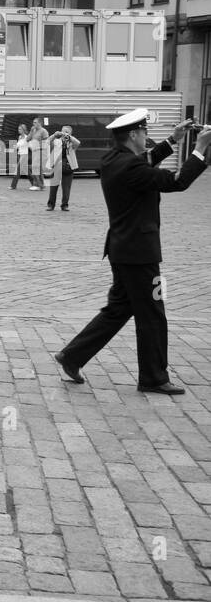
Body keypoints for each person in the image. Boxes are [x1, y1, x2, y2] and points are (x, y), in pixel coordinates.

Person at [54, 113, 209, 395]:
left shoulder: (114, 160)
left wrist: (174, 139)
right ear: (135, 135)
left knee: (118, 309)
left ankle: (72, 356)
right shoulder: (130, 167)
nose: (147, 136)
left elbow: (145, 161)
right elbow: (177, 181)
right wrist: (199, 149)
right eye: (144, 131)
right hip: (140, 254)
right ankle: (153, 378)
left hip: (123, 249)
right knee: (153, 312)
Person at [46, 125, 80, 212]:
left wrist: (69, 137)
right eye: (63, 131)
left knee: (66, 188)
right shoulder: (56, 141)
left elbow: (78, 143)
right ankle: (51, 205)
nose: (64, 133)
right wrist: (54, 135)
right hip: (56, 166)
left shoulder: (71, 143)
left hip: (68, 167)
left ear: (70, 133)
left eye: (67, 132)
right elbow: (47, 141)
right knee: (53, 187)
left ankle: (64, 205)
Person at [9, 123, 31, 189]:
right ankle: (34, 183)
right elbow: (18, 145)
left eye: (20, 129)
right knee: (27, 171)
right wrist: (14, 147)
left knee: (17, 170)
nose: (19, 130)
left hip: (25, 155)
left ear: (23, 130)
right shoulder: (20, 137)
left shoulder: (27, 137)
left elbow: (29, 145)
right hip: (20, 154)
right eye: (18, 129)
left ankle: (13, 185)